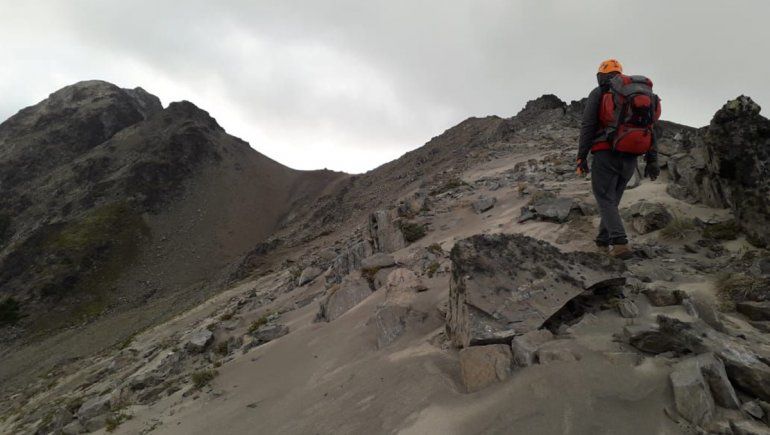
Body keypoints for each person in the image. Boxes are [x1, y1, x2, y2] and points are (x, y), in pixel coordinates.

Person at [576, 59, 660, 258]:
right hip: (630, 157)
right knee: (611, 201)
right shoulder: (635, 95)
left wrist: (581, 157)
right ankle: (602, 242)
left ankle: (620, 243)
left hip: (606, 153)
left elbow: (588, 125)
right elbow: (651, 128)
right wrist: (652, 160)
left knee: (605, 199)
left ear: (601, 76)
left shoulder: (600, 93)